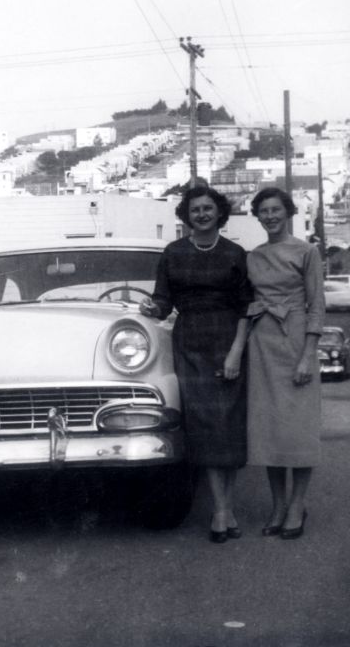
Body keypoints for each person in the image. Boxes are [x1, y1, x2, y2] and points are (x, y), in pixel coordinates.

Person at [140, 185, 251, 543]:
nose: (201, 214)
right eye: (194, 210)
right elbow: (162, 300)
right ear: (186, 216)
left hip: (227, 340)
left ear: (219, 213)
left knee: (227, 426)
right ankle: (222, 511)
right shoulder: (173, 253)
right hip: (188, 343)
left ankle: (225, 508)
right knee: (204, 426)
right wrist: (151, 309)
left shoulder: (235, 254)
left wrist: (235, 352)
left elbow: (247, 308)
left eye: (207, 208)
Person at [236, 186, 325, 540]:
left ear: (287, 213)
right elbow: (247, 302)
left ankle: (297, 505)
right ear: (257, 216)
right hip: (263, 344)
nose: (270, 216)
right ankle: (277, 506)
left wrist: (308, 354)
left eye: (275, 210)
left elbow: (317, 304)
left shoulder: (307, 251)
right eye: (263, 211)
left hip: (296, 340)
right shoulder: (253, 256)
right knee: (269, 432)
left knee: (298, 430)